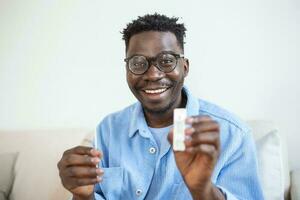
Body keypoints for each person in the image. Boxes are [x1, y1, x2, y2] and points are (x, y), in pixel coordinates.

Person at [57, 13, 264, 200]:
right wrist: (83, 196)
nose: (153, 74)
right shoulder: (109, 129)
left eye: (166, 61)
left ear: (185, 67)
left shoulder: (233, 134)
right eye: (138, 63)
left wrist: (203, 191)